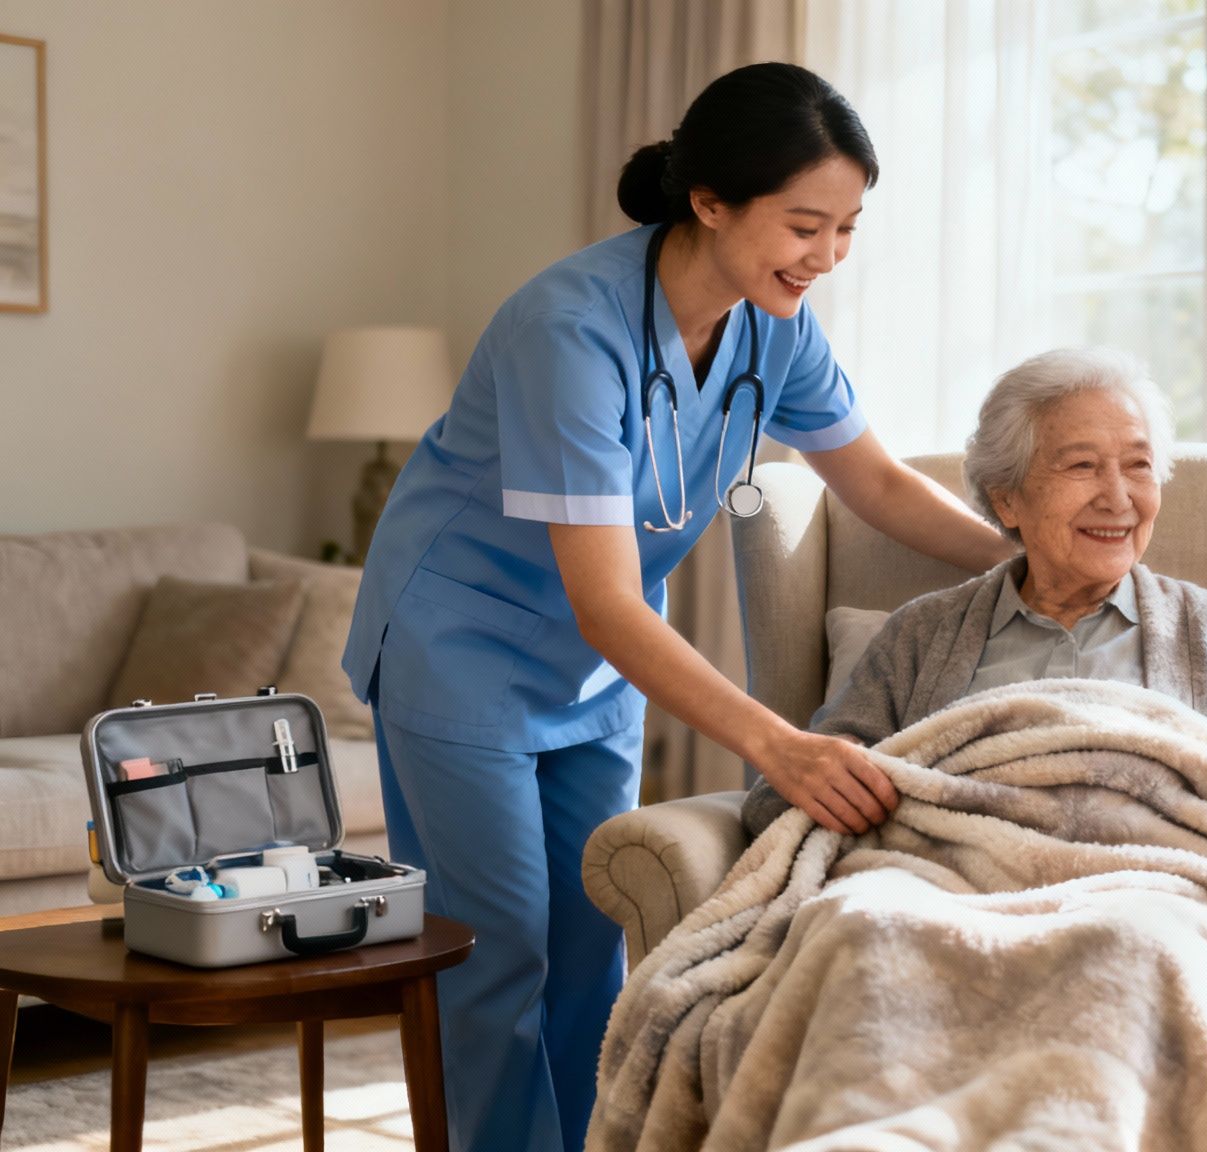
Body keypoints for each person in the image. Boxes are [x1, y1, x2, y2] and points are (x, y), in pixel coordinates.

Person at [340, 63, 1013, 1152]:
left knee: (594, 950)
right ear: (709, 201)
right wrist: (779, 746)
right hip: (461, 643)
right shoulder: (570, 328)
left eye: (846, 228)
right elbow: (604, 598)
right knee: (498, 950)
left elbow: (878, 485)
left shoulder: (773, 326)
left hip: (597, 668)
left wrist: (1021, 563)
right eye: (804, 224)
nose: (826, 257)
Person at [742, 346, 1207, 837]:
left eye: (1138, 466)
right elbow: (800, 781)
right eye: (1081, 466)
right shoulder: (922, 635)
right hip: (953, 890)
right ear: (1007, 499)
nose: (1119, 497)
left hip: (1149, 891)